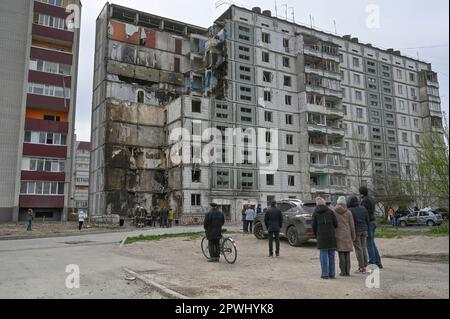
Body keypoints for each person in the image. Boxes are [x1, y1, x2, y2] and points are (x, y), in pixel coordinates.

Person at [312, 197, 338, 279]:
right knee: (331, 254)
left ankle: (325, 274)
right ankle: (332, 273)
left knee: (323, 254)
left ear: (317, 204)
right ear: (324, 203)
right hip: (331, 236)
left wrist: (316, 235)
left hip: (321, 236)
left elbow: (313, 226)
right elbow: (336, 224)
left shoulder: (315, 213)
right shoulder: (330, 212)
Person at [359, 186, 383, 269]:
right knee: (372, 243)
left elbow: (364, 213)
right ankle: (378, 262)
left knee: (369, 243)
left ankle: (372, 262)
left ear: (361, 193)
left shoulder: (364, 201)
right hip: (373, 222)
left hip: (369, 223)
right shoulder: (371, 199)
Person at [334, 196, 356, 277]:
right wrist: (353, 236)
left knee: (341, 253)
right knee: (347, 253)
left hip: (338, 234)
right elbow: (352, 225)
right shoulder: (348, 212)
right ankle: (348, 271)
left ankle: (342, 272)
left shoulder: (334, 211)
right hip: (347, 234)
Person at [347, 195, 370, 273]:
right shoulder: (363, 208)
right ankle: (365, 266)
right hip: (364, 230)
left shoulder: (350, 210)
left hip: (357, 231)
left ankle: (361, 267)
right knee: (363, 248)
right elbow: (367, 220)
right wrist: (368, 230)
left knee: (358, 249)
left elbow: (350, 222)